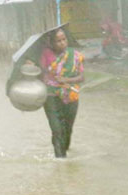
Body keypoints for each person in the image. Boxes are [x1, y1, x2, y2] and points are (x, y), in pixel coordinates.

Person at [39, 28, 84, 158]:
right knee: (56, 129)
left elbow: (81, 77)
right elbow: (40, 73)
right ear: (52, 43)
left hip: (70, 95)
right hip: (51, 95)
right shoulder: (45, 55)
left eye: (64, 39)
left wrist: (66, 80)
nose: (62, 43)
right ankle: (61, 160)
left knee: (67, 128)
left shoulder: (74, 55)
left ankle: (64, 151)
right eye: (58, 41)